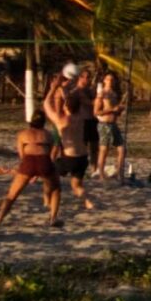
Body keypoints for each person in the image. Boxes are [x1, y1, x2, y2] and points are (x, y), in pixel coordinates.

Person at [0, 109, 62, 227]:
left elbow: (22, 154)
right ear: (43, 122)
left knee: (12, 195)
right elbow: (50, 152)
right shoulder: (47, 134)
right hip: (44, 161)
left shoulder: (22, 134)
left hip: (28, 161)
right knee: (56, 189)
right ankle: (53, 218)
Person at [43, 72, 94, 210]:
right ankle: (86, 201)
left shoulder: (61, 121)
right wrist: (64, 90)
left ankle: (47, 200)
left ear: (66, 107)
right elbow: (72, 102)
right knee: (76, 185)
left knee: (48, 177)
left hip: (69, 158)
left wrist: (53, 88)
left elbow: (46, 104)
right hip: (83, 157)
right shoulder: (82, 116)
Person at [66, 67, 100, 178]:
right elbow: (90, 103)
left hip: (92, 120)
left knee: (94, 147)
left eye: (88, 77)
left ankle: (94, 168)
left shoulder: (89, 90)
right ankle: (81, 169)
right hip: (82, 121)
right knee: (82, 148)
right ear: (79, 78)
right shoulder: (76, 91)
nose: (86, 79)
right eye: (83, 77)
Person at [94, 73, 126, 183]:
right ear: (104, 80)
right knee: (104, 149)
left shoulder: (114, 94)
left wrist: (119, 110)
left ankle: (120, 173)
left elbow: (116, 111)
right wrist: (112, 110)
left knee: (122, 148)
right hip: (104, 124)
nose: (110, 81)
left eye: (112, 79)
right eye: (108, 79)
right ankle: (101, 173)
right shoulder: (101, 94)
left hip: (114, 124)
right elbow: (96, 112)